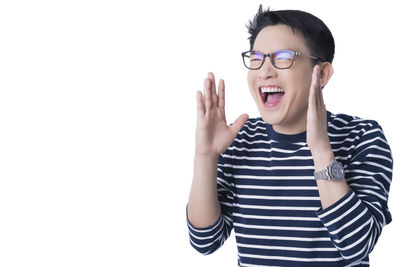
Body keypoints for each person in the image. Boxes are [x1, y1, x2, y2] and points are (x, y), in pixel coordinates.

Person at [186, 5, 393, 267]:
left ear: (323, 73)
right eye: (256, 58)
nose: (264, 71)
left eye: (283, 57)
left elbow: (357, 245)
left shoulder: (362, 136)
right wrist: (206, 157)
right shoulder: (238, 140)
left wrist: (321, 152)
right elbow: (205, 241)